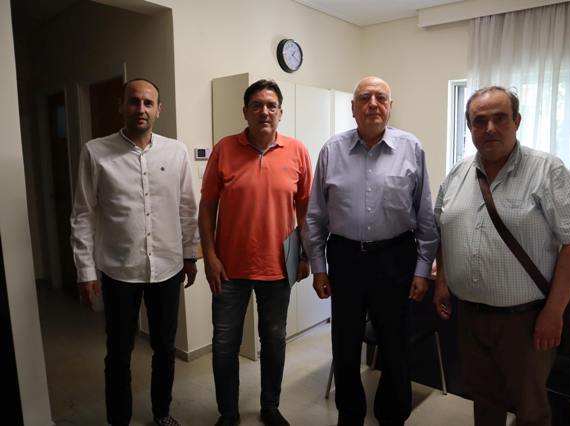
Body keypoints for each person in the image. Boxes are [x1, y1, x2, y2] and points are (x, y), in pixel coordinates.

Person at [433, 86, 570, 426]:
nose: (490, 128)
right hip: (470, 317)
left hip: (526, 321)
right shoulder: (457, 174)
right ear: (469, 126)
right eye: (480, 121)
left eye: (500, 118)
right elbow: (443, 230)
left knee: (530, 410)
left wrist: (554, 312)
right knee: (484, 401)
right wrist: (442, 282)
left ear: (517, 121)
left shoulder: (548, 171)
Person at [302, 76, 439, 426]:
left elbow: (425, 215)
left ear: (390, 107)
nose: (373, 104)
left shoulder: (411, 148)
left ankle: (391, 416)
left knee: (395, 346)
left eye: (381, 97)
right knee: (345, 345)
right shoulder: (332, 150)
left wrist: (422, 269)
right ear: (353, 108)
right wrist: (318, 267)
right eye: (365, 98)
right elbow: (316, 215)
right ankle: (350, 416)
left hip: (395, 258)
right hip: (345, 258)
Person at [70, 78, 198, 426]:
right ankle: (119, 420)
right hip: (118, 271)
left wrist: (190, 256)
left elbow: (188, 208)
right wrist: (85, 271)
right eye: (134, 101)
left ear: (159, 110)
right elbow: (83, 214)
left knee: (165, 349)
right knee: (118, 353)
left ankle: (161, 412)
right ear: (121, 106)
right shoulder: (95, 152)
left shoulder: (176, 152)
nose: (141, 109)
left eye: (148, 103)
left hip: (168, 268)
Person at [199, 79, 312, 426]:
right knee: (224, 345)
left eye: (271, 105)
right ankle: (228, 413)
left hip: (278, 268)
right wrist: (210, 257)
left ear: (280, 112)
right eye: (257, 105)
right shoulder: (224, 149)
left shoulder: (297, 151)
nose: (265, 111)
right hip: (228, 268)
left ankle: (270, 406)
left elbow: (307, 211)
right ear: (245, 112)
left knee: (274, 342)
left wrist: (305, 256)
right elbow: (207, 207)